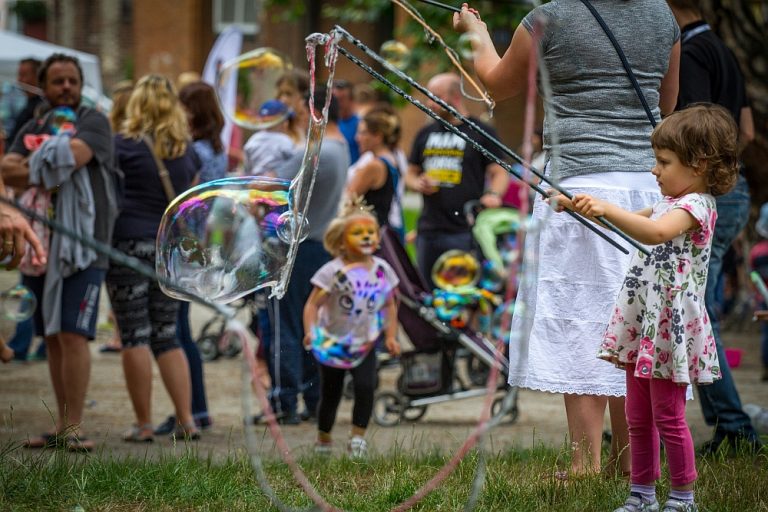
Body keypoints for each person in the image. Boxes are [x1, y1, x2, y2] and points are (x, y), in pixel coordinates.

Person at [453, 0, 680, 477]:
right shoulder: (662, 16)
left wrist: (473, 28)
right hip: (646, 184)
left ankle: (585, 463)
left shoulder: (550, 15)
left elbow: (495, 83)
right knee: (634, 322)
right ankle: (630, 459)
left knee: (584, 319)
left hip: (579, 187)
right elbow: (667, 106)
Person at [552, 104, 739, 512]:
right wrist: (577, 204)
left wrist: (607, 207)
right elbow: (624, 222)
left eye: (663, 162)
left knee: (668, 416)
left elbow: (655, 233)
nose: (654, 170)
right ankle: (641, 494)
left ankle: (683, 496)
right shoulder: (667, 203)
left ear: (699, 164)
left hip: (670, 327)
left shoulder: (696, 207)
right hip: (645, 324)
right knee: (637, 414)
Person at [1, 53, 118, 452]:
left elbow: (75, 157)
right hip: (37, 244)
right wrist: (48, 157)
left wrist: (35, 160)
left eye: (72, 80)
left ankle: (74, 425)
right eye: (57, 81)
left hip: (83, 246)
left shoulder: (94, 121)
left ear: (81, 84)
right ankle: (60, 424)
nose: (65, 87)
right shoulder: (32, 123)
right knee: (50, 335)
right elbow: (7, 170)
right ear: (44, 86)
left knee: (73, 334)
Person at [666, 0, 761, 455]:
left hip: (711, 198)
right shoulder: (723, 49)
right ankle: (725, 425)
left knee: (695, 314)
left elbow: (694, 129)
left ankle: (736, 429)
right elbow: (744, 131)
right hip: (734, 189)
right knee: (700, 311)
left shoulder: (689, 51)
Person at [107, 74, 200, 443]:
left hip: (129, 244)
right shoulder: (185, 150)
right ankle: (187, 420)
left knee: (135, 336)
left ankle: (144, 424)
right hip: (170, 253)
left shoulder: (121, 145)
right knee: (167, 335)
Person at [254, 87, 349, 425]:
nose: (295, 118)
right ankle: (312, 399)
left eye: (299, 111)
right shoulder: (340, 147)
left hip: (297, 248)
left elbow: (267, 184)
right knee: (309, 325)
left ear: (316, 112)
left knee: (285, 326)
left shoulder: (317, 151)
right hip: (318, 245)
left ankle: (283, 403)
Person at [150, 80, 226, 434]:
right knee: (180, 329)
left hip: (185, 248)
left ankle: (192, 410)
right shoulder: (213, 148)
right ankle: (196, 409)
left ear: (192, 109)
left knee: (177, 332)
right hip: (196, 248)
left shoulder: (195, 151)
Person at [303, 200, 400, 458]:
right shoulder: (332, 272)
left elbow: (390, 305)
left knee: (366, 387)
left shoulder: (382, 270)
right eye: (358, 232)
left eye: (371, 232)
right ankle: (324, 439)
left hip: (365, 342)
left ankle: (357, 439)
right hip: (333, 342)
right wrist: (311, 331)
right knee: (331, 393)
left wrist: (390, 336)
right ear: (341, 242)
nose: (367, 236)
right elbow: (312, 306)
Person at [405, 72, 508, 289]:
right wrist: (418, 183)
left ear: (455, 97)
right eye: (427, 96)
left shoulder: (480, 132)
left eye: (435, 96)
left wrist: (493, 194)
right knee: (427, 295)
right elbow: (410, 172)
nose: (428, 102)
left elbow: (499, 171)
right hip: (428, 230)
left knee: (462, 295)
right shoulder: (426, 133)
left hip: (464, 231)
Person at [346, 105, 401, 228]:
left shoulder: (374, 166)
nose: (357, 138)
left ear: (378, 137)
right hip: (379, 227)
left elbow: (348, 200)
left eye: (363, 133)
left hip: (368, 231)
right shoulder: (391, 159)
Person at [242, 99, 296, 177]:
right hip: (278, 184)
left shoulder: (252, 140)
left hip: (256, 183)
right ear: (281, 121)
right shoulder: (284, 140)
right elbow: (293, 164)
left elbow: (247, 168)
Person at [4, 58, 43, 150]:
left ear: (37, 77)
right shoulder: (29, 104)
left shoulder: (41, 108)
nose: (19, 80)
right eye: (19, 75)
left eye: (23, 75)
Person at [749, 202, 768, 382]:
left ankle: (766, 367)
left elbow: (753, 276)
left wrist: (756, 296)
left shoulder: (757, 251)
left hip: (764, 299)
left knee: (766, 335)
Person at [333, 79, 360, 164]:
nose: (337, 103)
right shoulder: (328, 124)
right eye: (334, 99)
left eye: (342, 99)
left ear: (352, 100)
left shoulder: (360, 125)